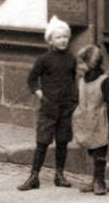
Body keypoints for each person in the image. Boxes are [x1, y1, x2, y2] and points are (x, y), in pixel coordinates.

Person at [19, 16, 77, 190]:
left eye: (65, 37)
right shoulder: (44, 59)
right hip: (49, 106)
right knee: (42, 141)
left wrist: (74, 100)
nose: (63, 40)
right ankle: (34, 176)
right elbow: (32, 79)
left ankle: (59, 175)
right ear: (50, 40)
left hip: (66, 106)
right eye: (58, 37)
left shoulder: (71, 59)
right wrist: (40, 94)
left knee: (62, 141)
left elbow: (72, 80)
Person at [71, 45, 109, 195]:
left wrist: (107, 119)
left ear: (91, 64)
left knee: (100, 152)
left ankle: (100, 181)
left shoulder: (105, 81)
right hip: (86, 121)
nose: (78, 66)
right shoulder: (82, 80)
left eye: (81, 63)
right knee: (92, 150)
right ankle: (94, 180)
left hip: (99, 121)